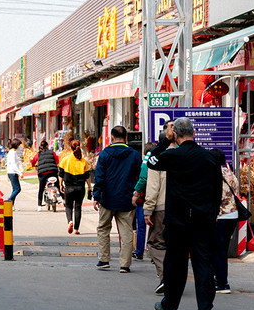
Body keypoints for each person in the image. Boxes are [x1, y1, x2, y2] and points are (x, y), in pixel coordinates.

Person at [147, 117, 222, 310]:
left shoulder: (173, 156)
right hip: (203, 220)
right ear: (194, 134)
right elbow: (217, 189)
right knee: (203, 264)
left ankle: (169, 305)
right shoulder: (208, 158)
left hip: (178, 220)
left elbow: (151, 161)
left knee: (176, 265)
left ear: (176, 135)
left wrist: (164, 141)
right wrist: (212, 212)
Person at [92, 125, 141, 272]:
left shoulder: (105, 154)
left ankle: (104, 259)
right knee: (126, 231)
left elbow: (99, 176)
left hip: (107, 198)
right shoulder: (134, 154)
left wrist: (96, 196)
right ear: (126, 138)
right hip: (127, 198)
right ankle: (125, 264)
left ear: (111, 137)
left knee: (103, 228)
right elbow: (139, 175)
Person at [143, 122, 173, 295]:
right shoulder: (186, 155)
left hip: (161, 208)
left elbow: (153, 187)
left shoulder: (157, 159)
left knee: (155, 243)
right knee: (176, 245)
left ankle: (166, 277)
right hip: (184, 209)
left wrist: (148, 209)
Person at [211, 148, 239, 294]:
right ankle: (221, 279)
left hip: (220, 216)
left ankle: (222, 282)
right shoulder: (230, 173)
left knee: (218, 250)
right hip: (232, 216)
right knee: (222, 250)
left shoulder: (213, 174)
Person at [59, 139, 91, 234]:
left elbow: (61, 174)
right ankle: (76, 229)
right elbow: (87, 176)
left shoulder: (65, 160)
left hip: (69, 187)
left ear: (70, 147)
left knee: (68, 206)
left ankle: (70, 221)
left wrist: (61, 184)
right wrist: (89, 187)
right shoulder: (83, 161)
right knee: (78, 207)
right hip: (80, 188)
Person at [33, 141, 59, 210]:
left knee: (41, 189)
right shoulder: (52, 152)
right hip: (53, 172)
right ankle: (64, 199)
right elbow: (57, 160)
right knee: (58, 185)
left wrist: (33, 165)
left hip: (42, 173)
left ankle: (39, 205)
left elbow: (33, 161)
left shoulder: (39, 154)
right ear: (47, 146)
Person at [4, 140, 23, 205]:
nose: (19, 147)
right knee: (17, 189)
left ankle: (11, 205)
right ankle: (8, 202)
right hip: (12, 172)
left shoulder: (12, 152)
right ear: (16, 145)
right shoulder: (12, 153)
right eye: (19, 145)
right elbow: (13, 165)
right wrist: (20, 173)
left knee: (15, 189)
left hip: (12, 172)